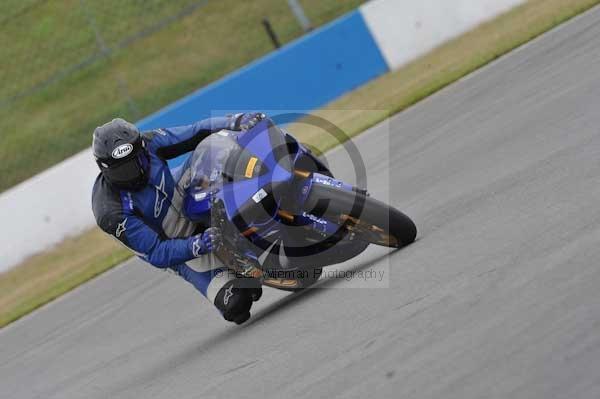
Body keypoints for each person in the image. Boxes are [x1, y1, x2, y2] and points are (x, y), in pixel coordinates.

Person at [91, 113, 266, 324]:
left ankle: (265, 182)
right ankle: (239, 271)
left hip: (183, 193)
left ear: (141, 149)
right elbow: (156, 253)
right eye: (122, 171)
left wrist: (234, 121)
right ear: (105, 169)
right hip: (179, 246)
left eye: (136, 162)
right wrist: (197, 244)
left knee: (214, 147)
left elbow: (194, 131)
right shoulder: (111, 211)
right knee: (236, 306)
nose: (133, 174)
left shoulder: (150, 142)